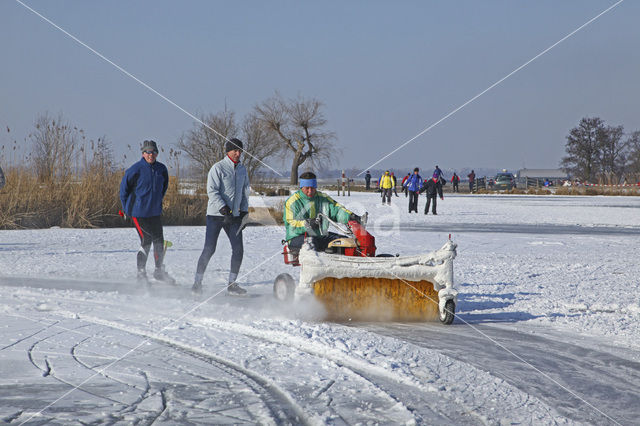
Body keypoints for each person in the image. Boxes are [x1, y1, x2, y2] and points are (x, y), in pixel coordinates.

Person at [192, 138, 250, 295]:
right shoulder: (218, 168)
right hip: (216, 215)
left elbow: (245, 192)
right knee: (210, 249)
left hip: (235, 217)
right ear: (228, 151)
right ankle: (197, 283)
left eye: (240, 151)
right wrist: (224, 209)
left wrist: (244, 212)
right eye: (235, 150)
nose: (238, 153)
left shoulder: (243, 170)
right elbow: (212, 190)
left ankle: (232, 284)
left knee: (238, 250)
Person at [119, 140, 174, 284]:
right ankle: (141, 273)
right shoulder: (135, 169)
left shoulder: (161, 169)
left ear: (157, 153)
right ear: (143, 153)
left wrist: (157, 202)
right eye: (148, 152)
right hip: (138, 213)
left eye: (153, 152)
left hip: (154, 212)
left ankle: (158, 271)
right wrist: (126, 209)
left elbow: (164, 187)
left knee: (159, 241)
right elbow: (124, 190)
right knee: (147, 240)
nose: (151, 155)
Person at [284, 171, 361, 252]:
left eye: (313, 188)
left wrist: (350, 216)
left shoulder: (322, 198)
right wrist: (307, 224)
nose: (310, 191)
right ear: (301, 187)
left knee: (345, 242)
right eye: (307, 188)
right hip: (297, 237)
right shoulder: (293, 202)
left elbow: (336, 210)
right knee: (311, 244)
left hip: (319, 235)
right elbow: (291, 225)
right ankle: (318, 263)